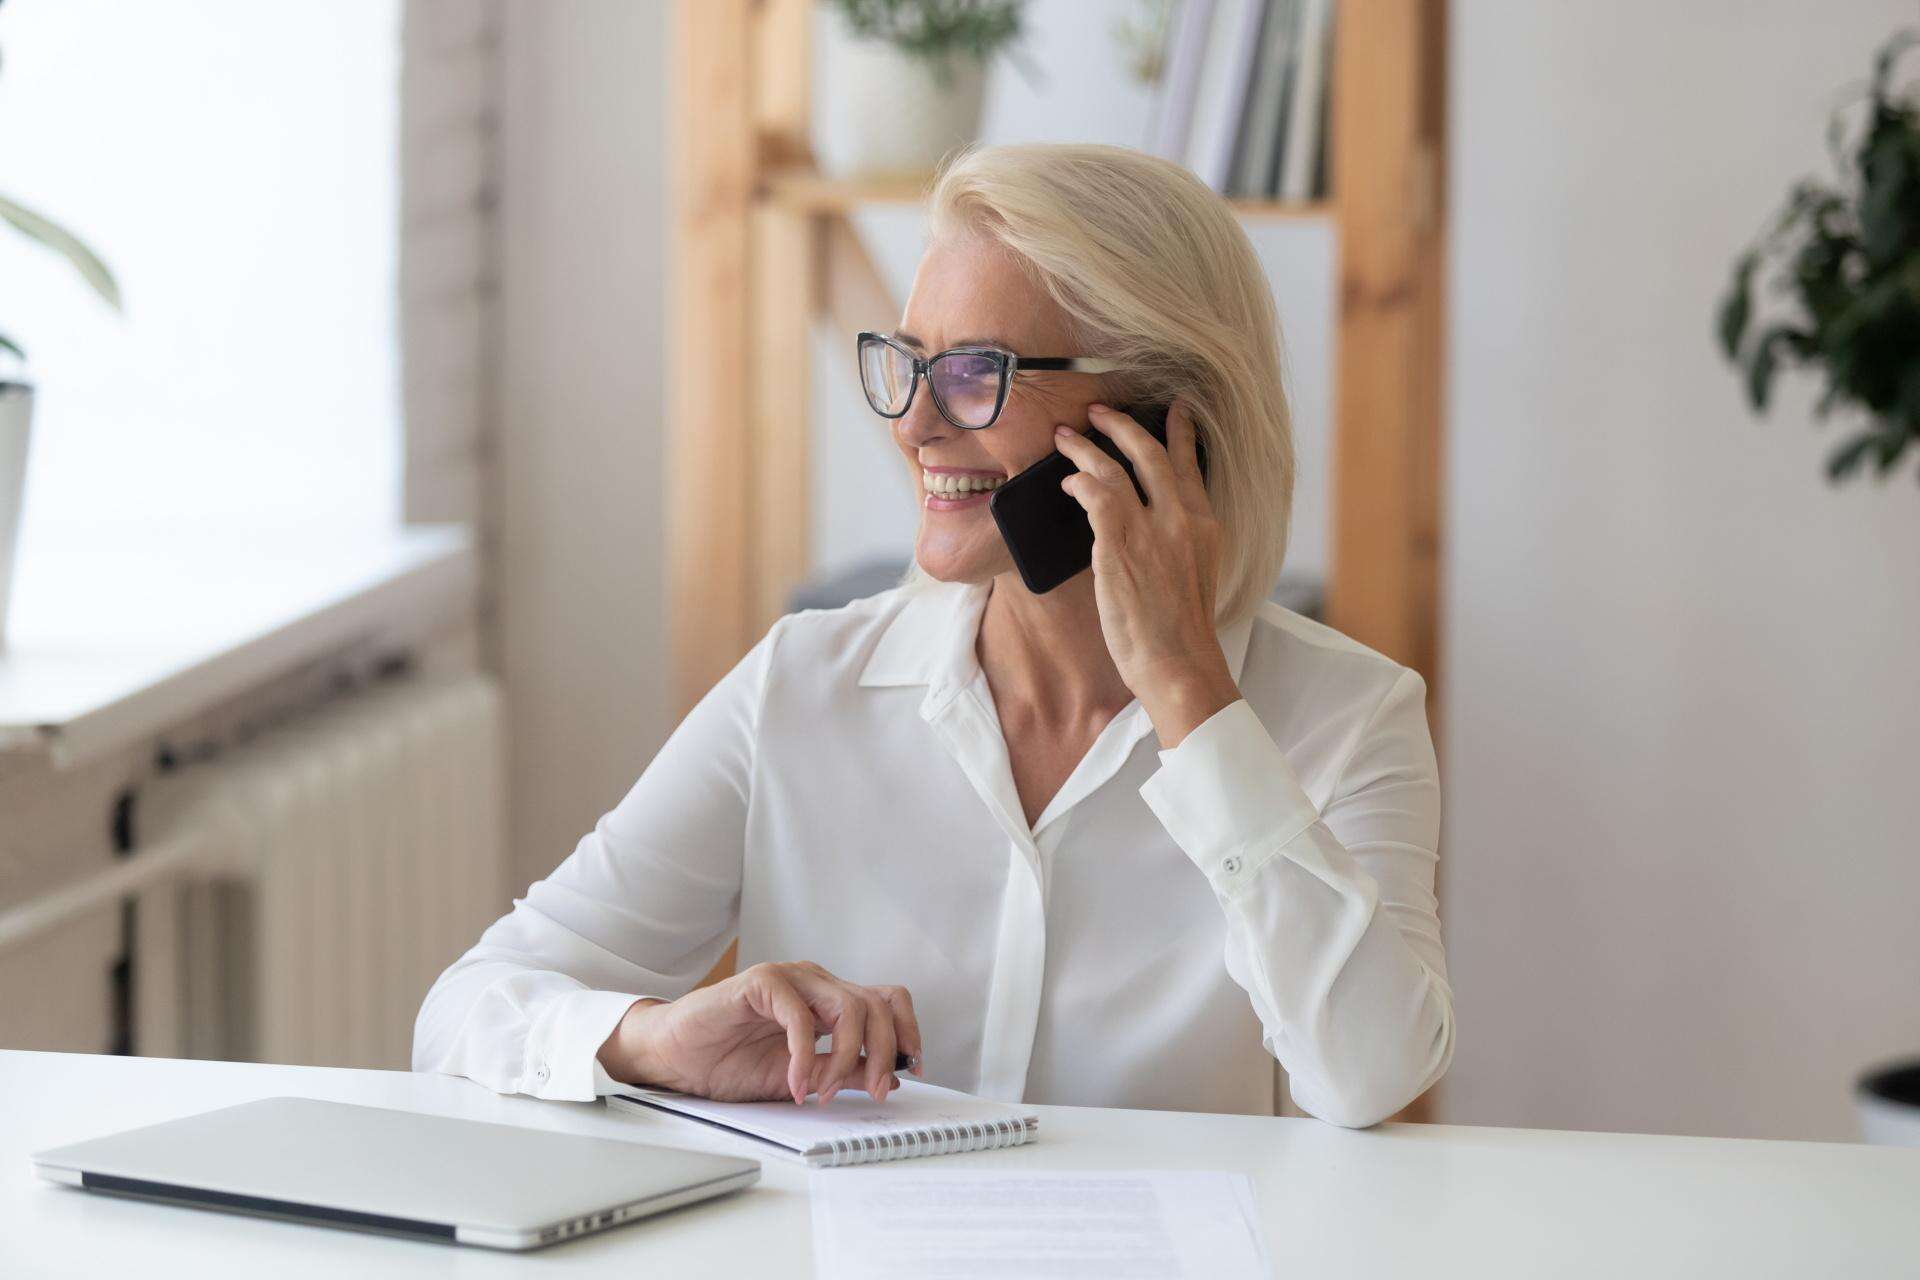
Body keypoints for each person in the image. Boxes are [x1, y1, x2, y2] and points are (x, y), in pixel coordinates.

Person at [414, 142, 1453, 1128]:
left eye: (975, 374)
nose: (914, 424)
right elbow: (465, 1009)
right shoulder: (802, 687)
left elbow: (1367, 1073)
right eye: (908, 365)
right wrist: (653, 1036)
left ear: (1159, 419)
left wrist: (1190, 693)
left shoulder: (1347, 719)